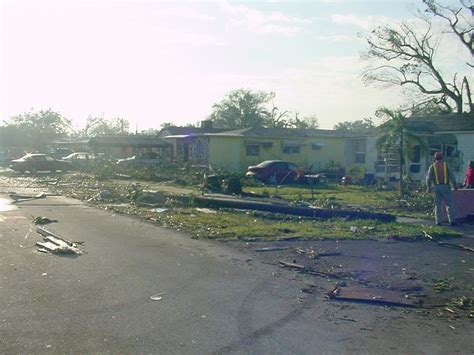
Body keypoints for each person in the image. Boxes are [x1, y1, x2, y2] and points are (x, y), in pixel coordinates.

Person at [426, 152, 457, 226]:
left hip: (436, 187)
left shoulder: (432, 166)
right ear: (442, 157)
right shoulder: (446, 165)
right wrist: (454, 185)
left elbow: (428, 178)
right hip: (445, 186)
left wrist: (428, 187)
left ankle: (438, 221)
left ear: (435, 158)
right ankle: (452, 221)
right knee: (449, 204)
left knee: (437, 205)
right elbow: (451, 175)